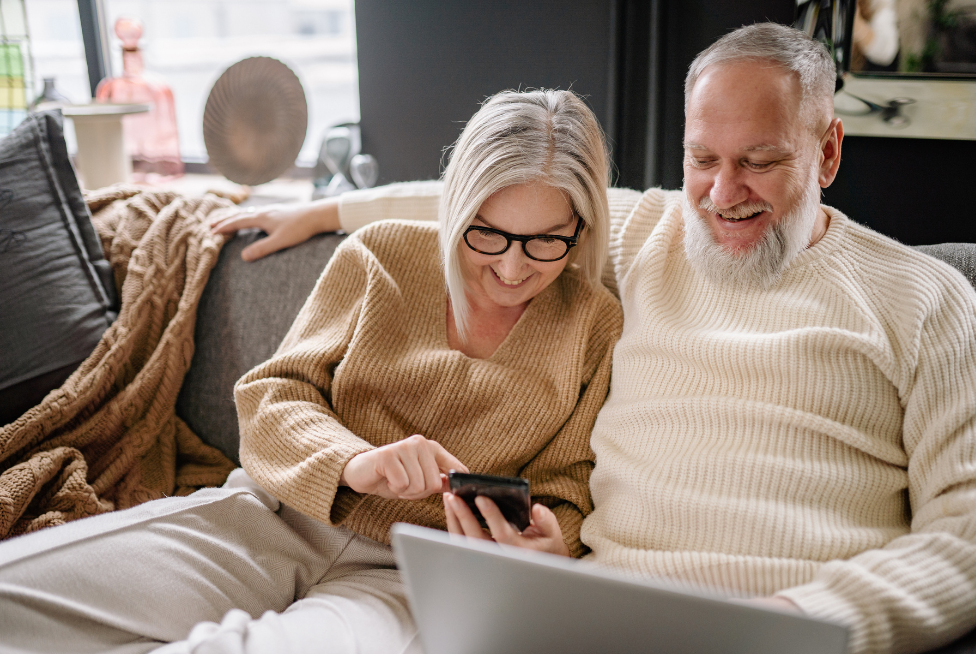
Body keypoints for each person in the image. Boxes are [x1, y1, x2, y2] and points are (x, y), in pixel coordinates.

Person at [220, 23, 976, 654]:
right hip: (593, 616)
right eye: (702, 160)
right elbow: (503, 195)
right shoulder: (651, 233)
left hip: (793, 626)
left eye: (759, 162)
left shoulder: (925, 299)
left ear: (826, 152)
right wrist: (328, 212)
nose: (722, 195)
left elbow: (968, 535)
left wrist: (810, 618)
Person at [0, 89, 622, 654]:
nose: (513, 269)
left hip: (409, 577)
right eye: (487, 235)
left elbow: (565, 487)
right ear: (456, 208)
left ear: (580, 229)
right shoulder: (381, 255)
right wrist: (355, 461)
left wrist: (550, 546)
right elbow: (273, 395)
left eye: (545, 242)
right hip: (272, 518)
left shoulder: (593, 323)